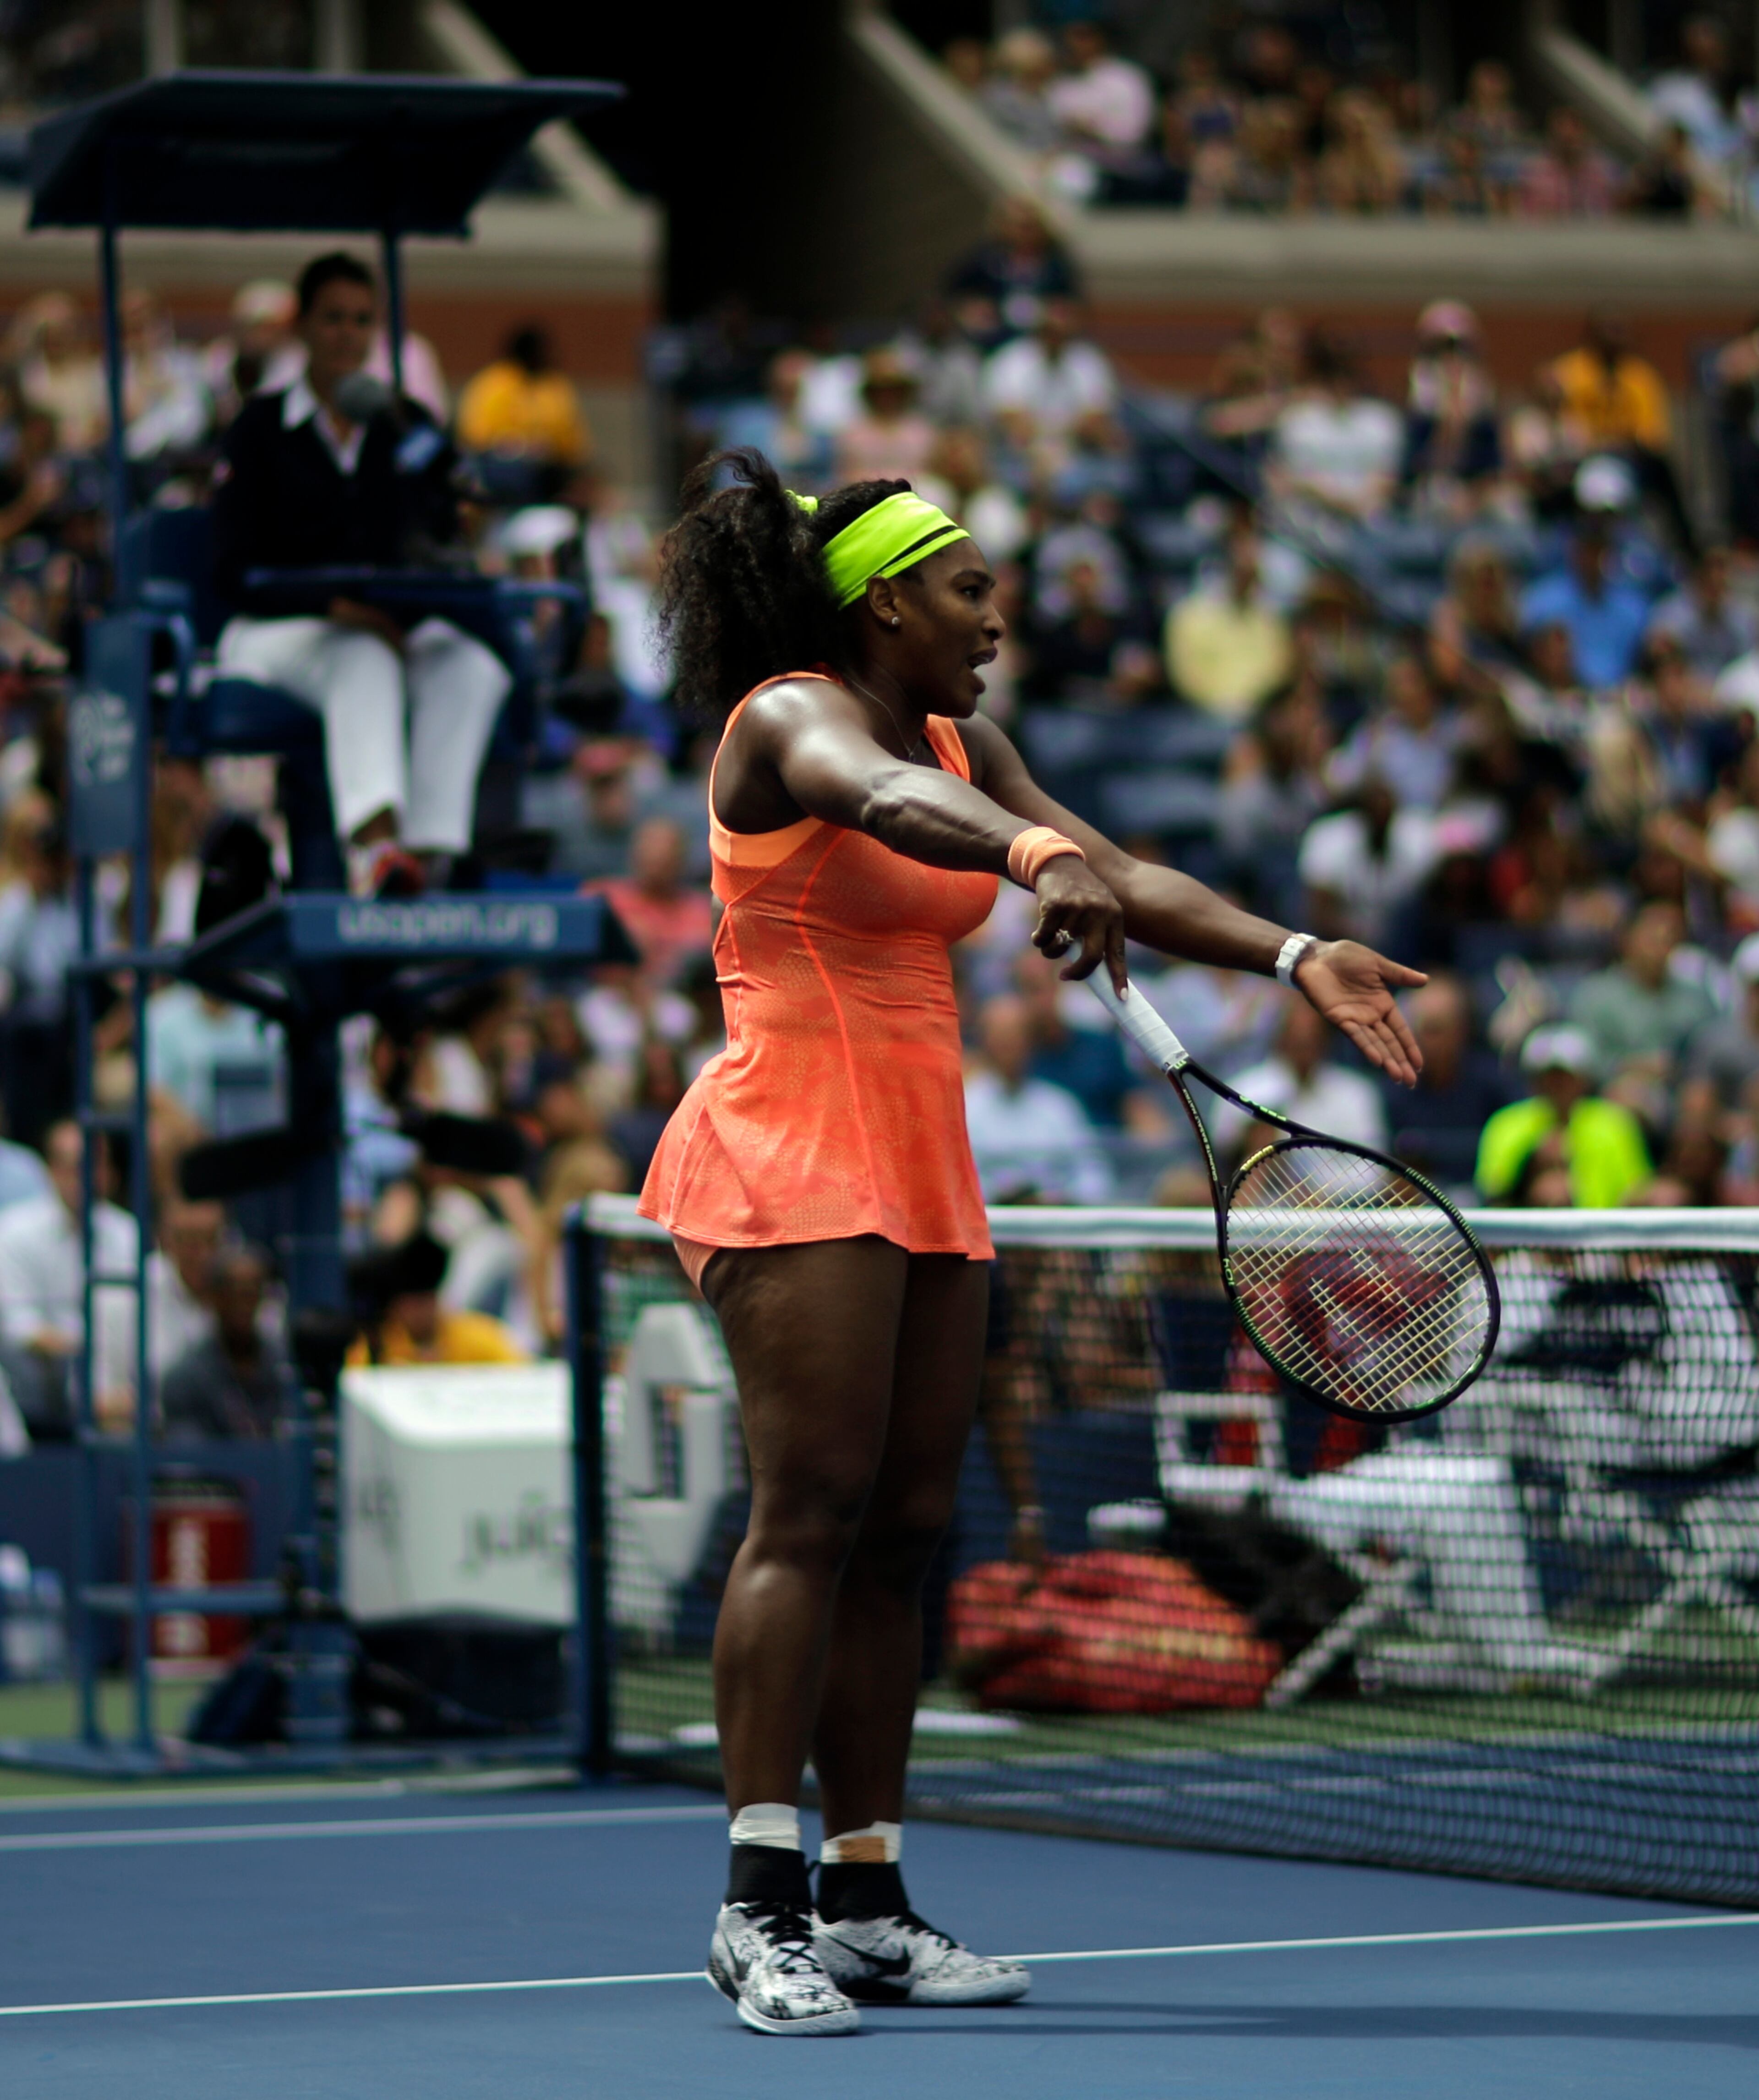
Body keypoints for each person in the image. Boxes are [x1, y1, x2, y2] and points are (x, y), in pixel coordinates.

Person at [637, 448, 1425, 2034]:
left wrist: (1292, 950)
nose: (995, 618)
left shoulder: (969, 736)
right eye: (969, 590)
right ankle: (756, 1903)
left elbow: (1118, 869)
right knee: (811, 1508)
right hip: (790, 1148)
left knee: (916, 1522)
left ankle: (866, 1896)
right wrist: (1024, 852)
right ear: (883, 602)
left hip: (922, 1156)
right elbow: (885, 803)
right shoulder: (786, 718)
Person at [211, 251, 513, 891]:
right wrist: (337, 608)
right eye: (333, 319)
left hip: (388, 624)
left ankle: (428, 854)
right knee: (362, 657)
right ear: (303, 328)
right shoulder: (258, 428)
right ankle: (375, 852)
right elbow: (233, 570)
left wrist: (462, 510)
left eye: (361, 320)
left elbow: (450, 523)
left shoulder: (400, 422)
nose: (347, 334)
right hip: (275, 629)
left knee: (471, 663)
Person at [0, 1122, 137, 1439]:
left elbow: (140, 1320)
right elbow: (18, 1327)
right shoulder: (13, 1233)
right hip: (41, 1384)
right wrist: (85, 1349)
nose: (87, 1177)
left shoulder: (129, 1234)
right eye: (75, 1166)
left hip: (117, 1377)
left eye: (98, 1164)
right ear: (51, 1171)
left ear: (111, 1173)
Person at [1476, 1025, 1650, 1208]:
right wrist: (1531, 1166)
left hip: (1604, 1232)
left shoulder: (1615, 1123)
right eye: (1548, 1076)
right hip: (1525, 1232)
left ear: (1584, 1078)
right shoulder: (1506, 1124)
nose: (1557, 1085)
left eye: (1565, 1077)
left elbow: (1636, 1193)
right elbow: (1494, 1195)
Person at [963, 992, 1112, 1203]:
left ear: (1031, 1043)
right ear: (985, 1043)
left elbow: (1093, 1173)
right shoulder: (966, 1108)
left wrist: (1061, 1200)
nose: (1010, 1049)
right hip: (991, 1225)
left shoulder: (1060, 1106)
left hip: (1056, 1224)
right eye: (1002, 1040)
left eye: (1017, 1038)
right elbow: (957, 1183)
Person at [1381, 975, 1511, 1195]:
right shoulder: (1395, 1090)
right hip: (1419, 1213)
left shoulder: (1494, 1087)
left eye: (1436, 1030)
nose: (1428, 1041)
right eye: (1422, 1030)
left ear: (1461, 1030)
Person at [1216, 997, 1390, 1162]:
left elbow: (1373, 1170)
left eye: (1311, 1043)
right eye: (1297, 1043)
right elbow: (1225, 1157)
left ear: (1325, 1043)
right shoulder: (1242, 1091)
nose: (1304, 1053)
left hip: (1340, 1193)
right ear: (1281, 1040)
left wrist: (1322, 1192)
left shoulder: (1357, 1093)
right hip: (1265, 1193)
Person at [1162, 515, 1293, 721]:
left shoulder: (1270, 618)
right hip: (1203, 715)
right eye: (1241, 569)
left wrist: (1250, 703)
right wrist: (1223, 705)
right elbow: (1186, 676)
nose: (1247, 577)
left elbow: (1277, 669)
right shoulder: (1189, 614)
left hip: (1259, 713)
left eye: (1252, 572)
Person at [1568, 898, 1715, 1077]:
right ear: (1627, 940)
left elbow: (1711, 1049)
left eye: (1668, 939)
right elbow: (1583, 1055)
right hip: (1616, 1087)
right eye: (1652, 939)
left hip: (1681, 1085)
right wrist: (1627, 1068)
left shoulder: (1694, 996)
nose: (1660, 948)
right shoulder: (1596, 996)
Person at [161, 1245, 288, 1440]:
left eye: (250, 1294)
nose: (243, 1307)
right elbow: (191, 1459)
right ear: (213, 1298)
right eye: (232, 1294)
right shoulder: (185, 1379)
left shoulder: (285, 1367)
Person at [347, 1232, 528, 1367]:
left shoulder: (473, 1335)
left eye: (426, 1300)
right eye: (412, 1304)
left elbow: (522, 1370)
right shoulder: (377, 1345)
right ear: (396, 1307)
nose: (421, 1311)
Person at [456, 324, 591, 502]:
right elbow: (475, 434)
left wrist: (548, 447)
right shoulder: (495, 384)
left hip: (550, 469)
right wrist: (516, 445)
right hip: (502, 467)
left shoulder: (555, 386)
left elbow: (574, 444)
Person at [1519, 515, 1650, 692]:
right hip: (1558, 693)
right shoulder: (1542, 601)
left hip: (1620, 698)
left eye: (1599, 550)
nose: (1592, 558)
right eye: (1587, 550)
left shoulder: (1631, 607)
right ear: (1575, 551)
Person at [1517, 105, 1620, 219]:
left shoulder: (1601, 174)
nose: (1568, 134)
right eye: (1562, 127)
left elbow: (1610, 216)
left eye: (1575, 127)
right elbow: (1526, 220)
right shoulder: (1534, 174)